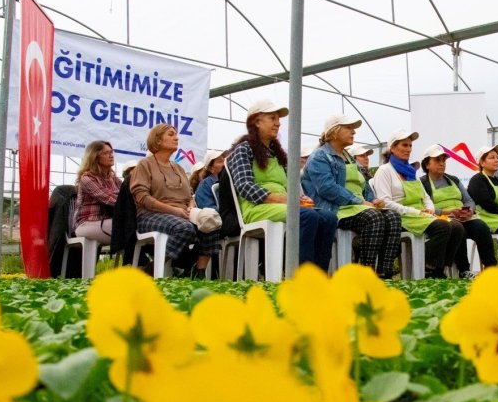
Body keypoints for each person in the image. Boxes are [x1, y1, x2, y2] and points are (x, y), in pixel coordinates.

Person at [225, 99, 336, 271]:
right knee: (308, 216)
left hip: (282, 205)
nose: (278, 123)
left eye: (278, 119)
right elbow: (244, 186)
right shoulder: (243, 149)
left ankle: (319, 276)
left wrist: (300, 198)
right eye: (272, 118)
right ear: (256, 121)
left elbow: (289, 188)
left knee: (328, 218)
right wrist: (287, 201)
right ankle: (301, 276)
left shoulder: (278, 154)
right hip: (256, 207)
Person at [303, 115, 401, 278]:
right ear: (333, 132)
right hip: (335, 209)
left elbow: (362, 185)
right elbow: (327, 188)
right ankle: (365, 274)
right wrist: (360, 201)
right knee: (374, 218)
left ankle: (384, 273)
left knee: (393, 217)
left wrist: (372, 200)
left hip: (357, 207)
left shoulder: (348, 158)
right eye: (348, 127)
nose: (353, 131)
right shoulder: (320, 157)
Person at [130, 124, 221, 279]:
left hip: (181, 213)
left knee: (212, 222)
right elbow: (142, 197)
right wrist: (174, 210)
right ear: (157, 140)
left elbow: (189, 196)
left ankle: (197, 272)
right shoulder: (145, 165)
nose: (176, 137)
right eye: (171, 134)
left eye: (176, 134)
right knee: (184, 228)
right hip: (150, 214)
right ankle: (151, 270)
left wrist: (191, 208)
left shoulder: (178, 168)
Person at [373, 130, 465, 279]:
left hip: (421, 215)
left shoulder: (410, 172)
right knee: (443, 227)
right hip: (402, 217)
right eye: (404, 145)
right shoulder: (384, 171)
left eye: (410, 145)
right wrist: (416, 212)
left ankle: (438, 268)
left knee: (457, 227)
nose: (409, 149)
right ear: (393, 148)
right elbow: (386, 203)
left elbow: (426, 197)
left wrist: (429, 209)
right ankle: (428, 269)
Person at [419, 144, 496, 278]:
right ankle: (464, 270)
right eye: (437, 160)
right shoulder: (422, 183)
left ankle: (491, 269)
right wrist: (447, 212)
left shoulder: (453, 179)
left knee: (481, 227)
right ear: (427, 165)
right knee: (458, 227)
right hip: (442, 219)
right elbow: (425, 209)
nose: (442, 164)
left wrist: (469, 211)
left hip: (462, 217)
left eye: (444, 160)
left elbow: (469, 200)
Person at [74, 141, 121, 244]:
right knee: (132, 226)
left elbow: (126, 196)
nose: (111, 156)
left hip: (106, 221)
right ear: (95, 157)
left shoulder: (114, 179)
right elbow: (110, 199)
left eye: (111, 152)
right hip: (87, 223)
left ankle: (142, 258)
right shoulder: (87, 178)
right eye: (106, 153)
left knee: (137, 224)